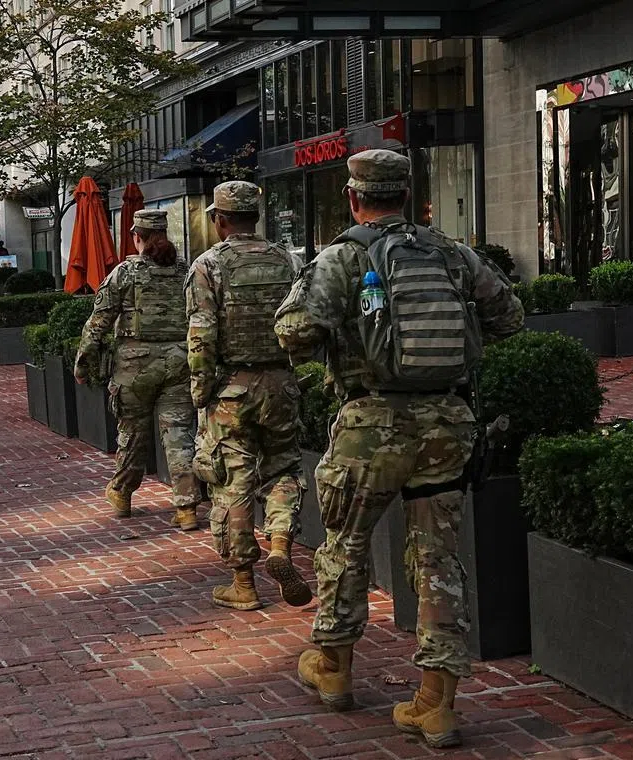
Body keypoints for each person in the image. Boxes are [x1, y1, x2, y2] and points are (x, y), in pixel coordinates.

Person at [274, 150, 524, 747]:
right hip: (449, 423)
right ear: (409, 195)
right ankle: (436, 703)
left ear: (354, 197)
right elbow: (509, 317)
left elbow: (292, 331)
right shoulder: (452, 253)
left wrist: (349, 333)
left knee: (346, 545)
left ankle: (334, 670)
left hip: (371, 423)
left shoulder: (345, 255)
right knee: (438, 556)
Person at [185, 181, 311, 612]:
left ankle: (243, 582)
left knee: (231, 479)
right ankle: (280, 542)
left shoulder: (209, 265)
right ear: (255, 217)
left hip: (231, 389)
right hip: (280, 383)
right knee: (284, 468)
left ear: (220, 220)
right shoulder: (287, 261)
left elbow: (201, 334)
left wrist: (201, 392)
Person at [73, 209, 202, 531]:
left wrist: (83, 361)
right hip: (180, 361)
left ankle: (122, 493)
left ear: (137, 237)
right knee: (179, 435)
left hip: (134, 365)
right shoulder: (186, 270)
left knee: (132, 433)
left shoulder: (126, 272)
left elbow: (99, 320)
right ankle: (186, 508)